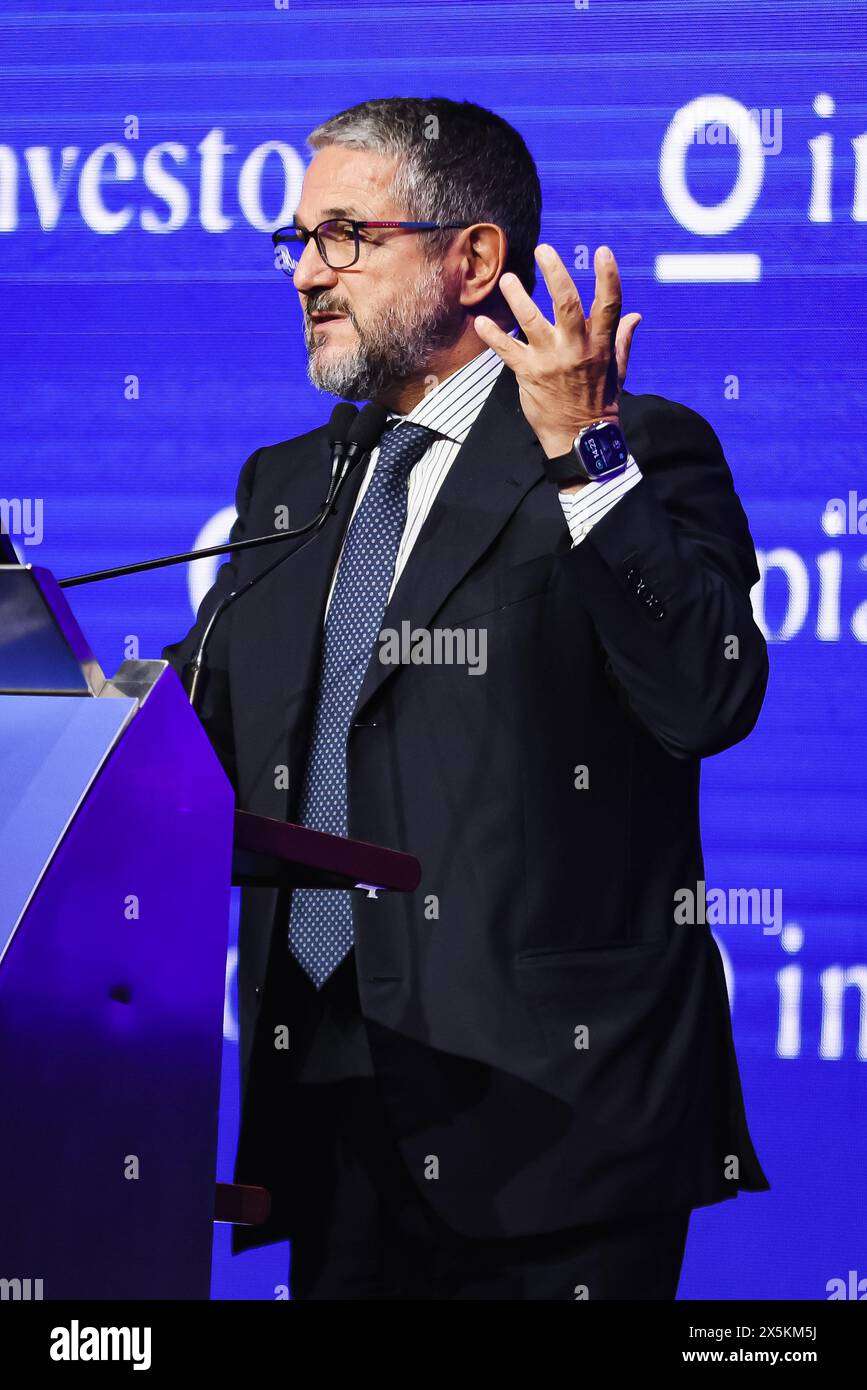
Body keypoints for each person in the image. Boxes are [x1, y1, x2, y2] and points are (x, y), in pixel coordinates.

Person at [162, 96, 769, 1300]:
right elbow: (193, 743)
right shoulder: (289, 484)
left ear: (471, 258)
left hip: (560, 1122)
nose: (307, 274)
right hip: (333, 1109)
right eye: (298, 241)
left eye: (344, 236)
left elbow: (709, 695)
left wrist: (585, 455)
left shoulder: (629, 447)